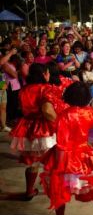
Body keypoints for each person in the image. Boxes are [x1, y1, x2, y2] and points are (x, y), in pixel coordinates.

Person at [40, 82, 93, 215]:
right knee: (90, 187)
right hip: (85, 155)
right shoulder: (91, 113)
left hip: (66, 158)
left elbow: (62, 144)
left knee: (60, 192)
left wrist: (58, 168)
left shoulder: (64, 116)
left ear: (68, 95)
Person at [10, 64, 61, 200]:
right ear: (44, 74)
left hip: (27, 127)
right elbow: (47, 111)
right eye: (48, 73)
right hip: (43, 128)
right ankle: (54, 192)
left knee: (33, 162)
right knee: (52, 162)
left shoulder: (24, 89)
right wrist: (60, 123)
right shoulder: (46, 88)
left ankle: (29, 191)